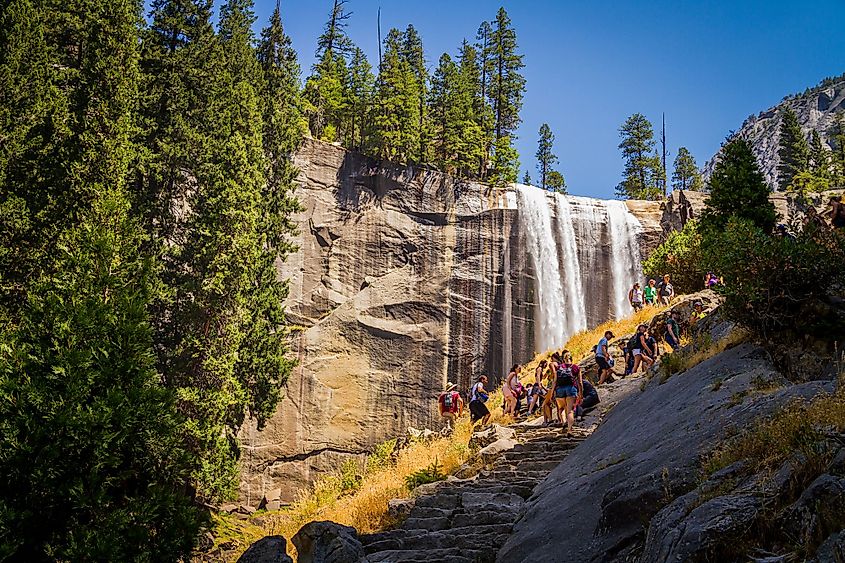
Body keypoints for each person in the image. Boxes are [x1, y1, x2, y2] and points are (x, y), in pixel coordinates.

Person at [554, 350, 582, 433]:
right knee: (570, 411)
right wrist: (581, 393)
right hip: (571, 388)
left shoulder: (559, 367)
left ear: (563, 359)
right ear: (571, 358)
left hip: (560, 389)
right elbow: (580, 382)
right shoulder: (575, 367)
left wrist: (552, 392)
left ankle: (563, 423)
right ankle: (570, 430)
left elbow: (555, 381)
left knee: (561, 408)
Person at [542, 353, 560, 423]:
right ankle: (559, 420)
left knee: (545, 404)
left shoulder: (552, 364)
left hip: (552, 386)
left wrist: (551, 377)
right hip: (559, 385)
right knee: (558, 404)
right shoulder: (560, 364)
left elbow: (554, 373)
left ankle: (549, 420)